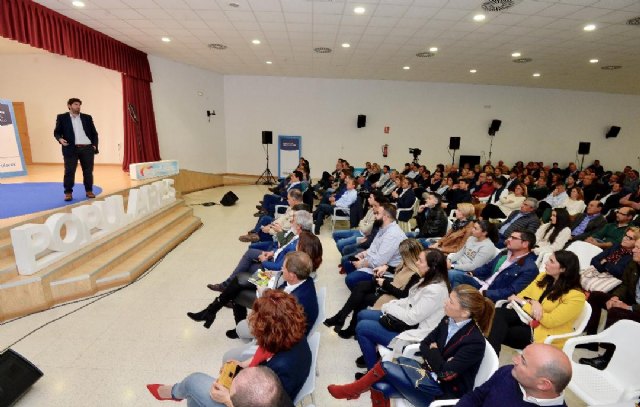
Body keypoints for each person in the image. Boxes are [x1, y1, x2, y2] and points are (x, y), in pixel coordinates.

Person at [327, 284, 494, 407]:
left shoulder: (474, 342)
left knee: (385, 366)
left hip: (441, 393)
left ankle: (352, 391)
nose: (445, 303)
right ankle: (355, 391)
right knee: (378, 385)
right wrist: (438, 356)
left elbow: (445, 374)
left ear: (465, 312)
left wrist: (435, 353)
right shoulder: (448, 319)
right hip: (427, 375)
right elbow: (425, 343)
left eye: (450, 301)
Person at [147, 290, 311, 405]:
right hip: (263, 393)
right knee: (195, 397)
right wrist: (244, 365)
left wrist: (227, 399)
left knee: (193, 382)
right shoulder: (292, 333)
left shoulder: (280, 370)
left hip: (259, 401)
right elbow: (267, 352)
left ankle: (174, 393)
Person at [187, 231, 320, 334]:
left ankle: (214, 313)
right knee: (238, 281)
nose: (295, 242)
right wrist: (273, 274)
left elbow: (276, 306)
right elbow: (282, 277)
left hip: (270, 292)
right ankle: (214, 313)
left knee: (237, 287)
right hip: (273, 281)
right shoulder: (302, 269)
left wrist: (263, 290)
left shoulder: (295, 274)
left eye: (298, 243)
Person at [488, 250, 585, 356]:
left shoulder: (576, 296)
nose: (546, 263)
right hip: (526, 318)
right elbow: (521, 295)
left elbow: (550, 321)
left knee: (498, 330)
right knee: (498, 314)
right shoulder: (543, 277)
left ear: (563, 269)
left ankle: (489, 358)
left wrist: (526, 304)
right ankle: (491, 358)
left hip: (544, 332)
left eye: (551, 261)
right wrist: (533, 302)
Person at [324, 239, 423, 338]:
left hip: (395, 299)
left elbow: (404, 296)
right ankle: (342, 318)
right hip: (391, 289)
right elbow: (399, 272)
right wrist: (387, 268)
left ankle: (344, 321)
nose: (401, 257)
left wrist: (384, 284)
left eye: (403, 255)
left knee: (363, 296)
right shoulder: (406, 264)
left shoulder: (416, 275)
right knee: (361, 286)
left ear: (409, 256)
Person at [207, 210, 313, 292]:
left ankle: (228, 290)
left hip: (273, 275)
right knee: (248, 263)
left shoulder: (298, 243)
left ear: (299, 226)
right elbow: (283, 250)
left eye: (293, 220)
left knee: (248, 265)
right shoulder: (300, 237)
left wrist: (264, 260)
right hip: (273, 264)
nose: (291, 221)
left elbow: (280, 267)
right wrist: (272, 253)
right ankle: (229, 290)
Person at [578, 237, 640, 370]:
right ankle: (591, 340)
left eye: (638, 248)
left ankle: (607, 357)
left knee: (617, 312)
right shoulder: (634, 264)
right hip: (632, 301)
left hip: (637, 308)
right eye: (635, 246)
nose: (634, 250)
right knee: (596, 296)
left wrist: (628, 307)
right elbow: (625, 285)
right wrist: (616, 297)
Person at [456, 343, 572, 407]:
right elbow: (476, 397)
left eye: (523, 362)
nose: (514, 360)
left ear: (543, 384)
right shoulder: (507, 373)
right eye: (520, 355)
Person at [342, 203, 407, 290]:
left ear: (385, 217)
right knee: (347, 263)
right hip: (374, 261)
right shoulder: (383, 228)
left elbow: (380, 261)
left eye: (377, 214)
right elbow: (373, 248)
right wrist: (363, 254)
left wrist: (362, 264)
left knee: (351, 279)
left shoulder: (393, 235)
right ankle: (360, 290)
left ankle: (364, 291)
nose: (375, 216)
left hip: (385, 270)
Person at [53, 98, 99, 201]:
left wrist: (94, 146)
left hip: (87, 148)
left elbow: (94, 133)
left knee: (88, 172)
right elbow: (56, 132)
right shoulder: (62, 117)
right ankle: (68, 193)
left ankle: (89, 191)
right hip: (70, 148)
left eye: (79, 105)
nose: (78, 106)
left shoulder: (87, 117)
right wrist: (60, 139)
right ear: (69, 105)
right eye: (75, 104)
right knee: (69, 172)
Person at [447, 220, 499, 286]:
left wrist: (452, 266)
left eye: (475, 228)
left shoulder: (488, 247)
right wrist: (449, 260)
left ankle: (455, 293)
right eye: (473, 227)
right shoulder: (471, 238)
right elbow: (460, 253)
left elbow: (473, 266)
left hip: (470, 272)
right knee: (439, 264)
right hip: (458, 265)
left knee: (451, 274)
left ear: (484, 233)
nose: (472, 230)